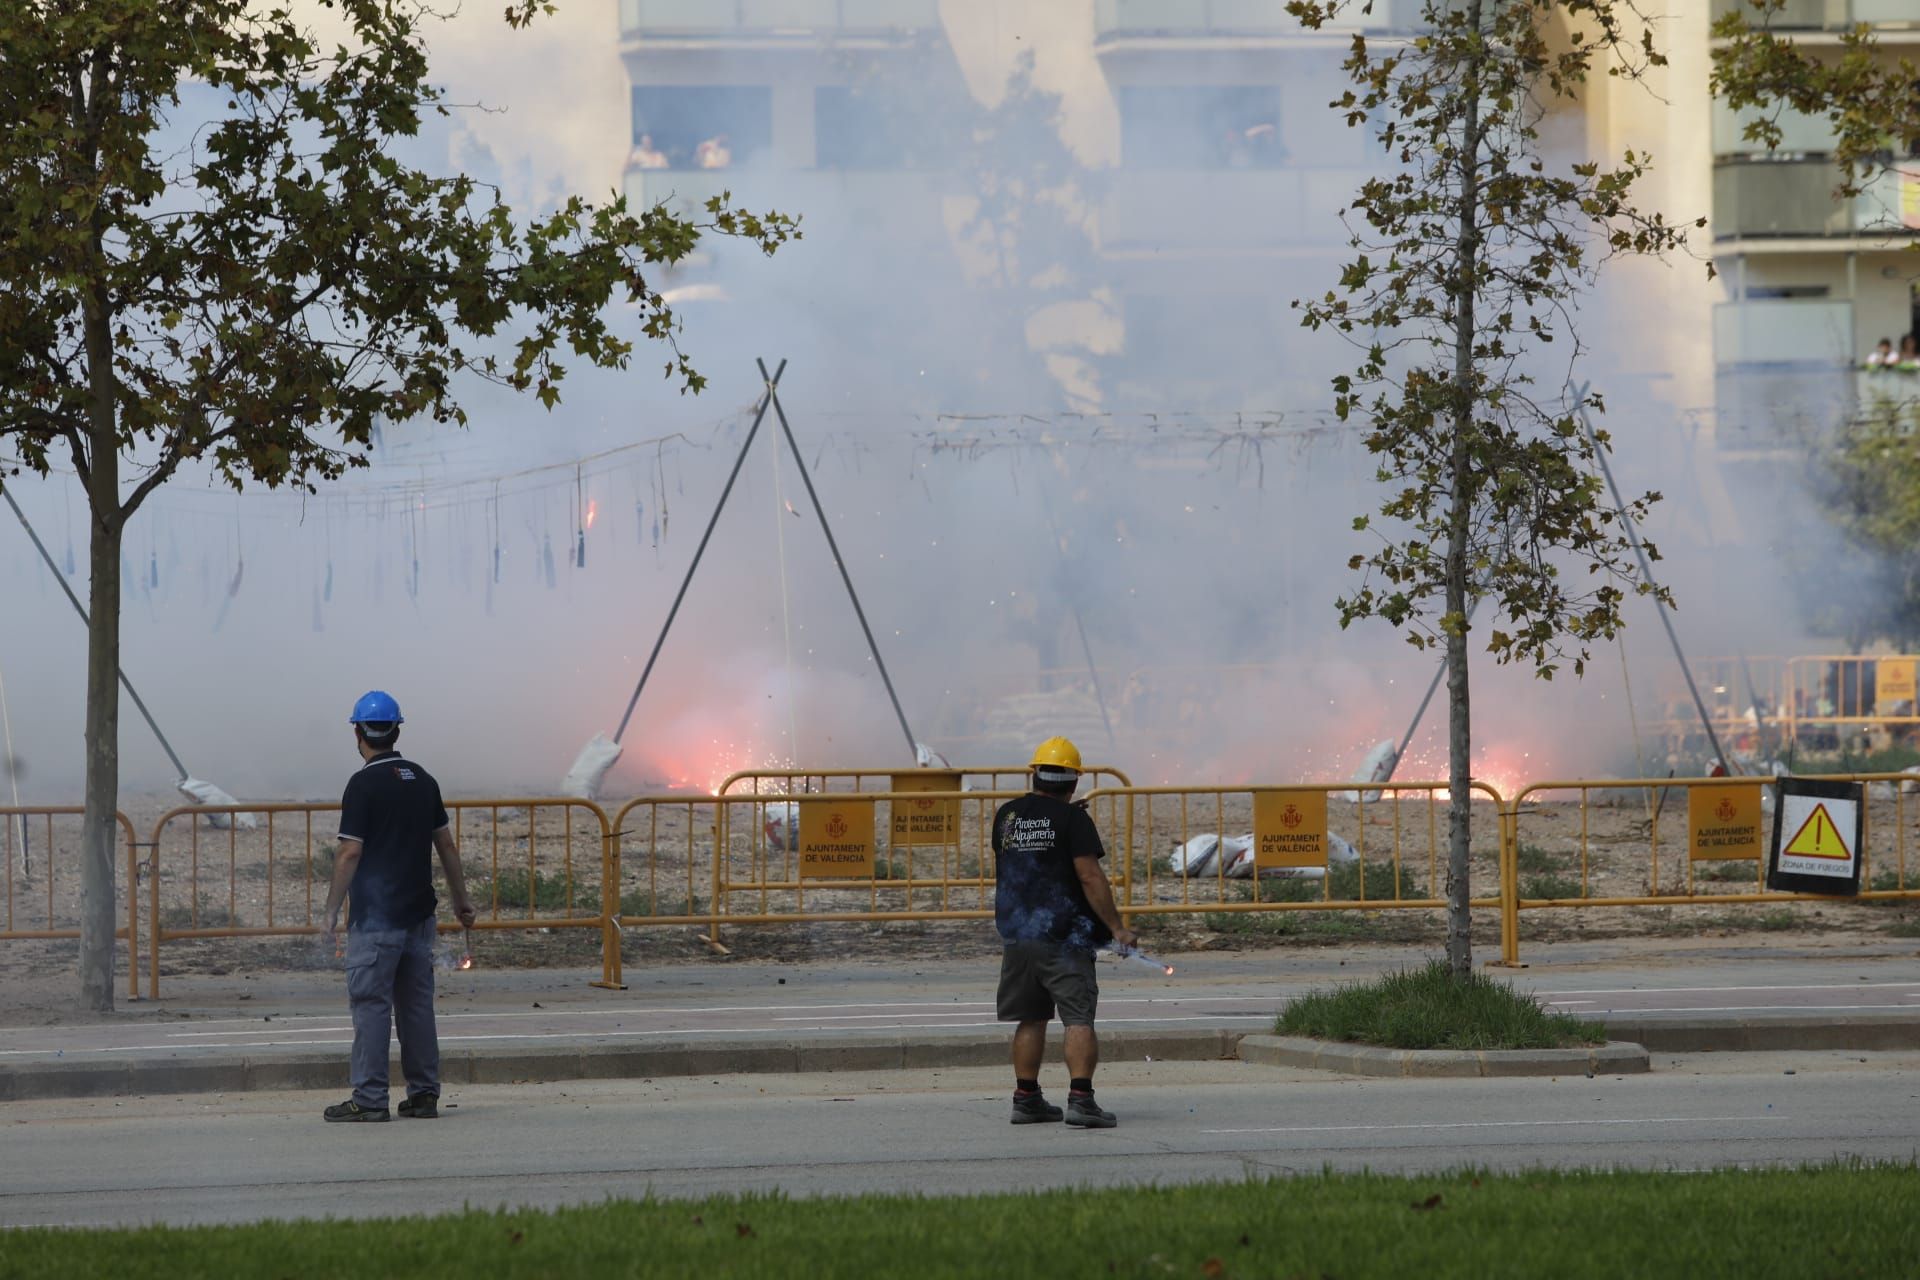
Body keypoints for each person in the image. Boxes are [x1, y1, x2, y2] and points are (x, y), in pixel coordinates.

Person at [320, 691, 476, 1123]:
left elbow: (349, 853)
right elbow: (445, 843)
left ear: (358, 733)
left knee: (371, 1005)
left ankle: (369, 1100)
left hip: (375, 920)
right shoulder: (422, 779)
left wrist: (332, 910)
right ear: (397, 730)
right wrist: (463, 902)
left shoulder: (363, 784)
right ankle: (424, 1094)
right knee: (416, 1007)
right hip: (419, 918)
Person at [992, 735, 1137, 1129]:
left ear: (1034, 774)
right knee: (1077, 1019)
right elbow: (1089, 876)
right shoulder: (1074, 820)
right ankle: (1081, 1100)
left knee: (1031, 1018)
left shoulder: (1007, 816)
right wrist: (1117, 928)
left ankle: (1026, 1099)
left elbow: (1032, 850)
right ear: (1074, 781)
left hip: (1018, 936)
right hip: (1064, 937)